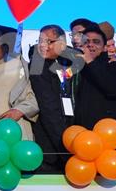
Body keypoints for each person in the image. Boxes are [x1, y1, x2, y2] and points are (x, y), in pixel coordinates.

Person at [28, 24, 83, 171]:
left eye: (49, 42)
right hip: (51, 147)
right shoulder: (37, 64)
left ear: (62, 44)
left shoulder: (72, 64)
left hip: (74, 136)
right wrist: (65, 148)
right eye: (40, 41)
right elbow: (48, 108)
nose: (43, 45)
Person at [0, 25, 38, 141]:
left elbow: (31, 100)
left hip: (17, 133)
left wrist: (19, 111)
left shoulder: (19, 66)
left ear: (5, 47)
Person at [73, 24, 116, 130]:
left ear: (104, 48)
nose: (90, 45)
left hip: (107, 133)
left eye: (96, 42)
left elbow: (113, 89)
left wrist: (90, 62)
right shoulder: (76, 68)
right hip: (80, 134)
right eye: (86, 42)